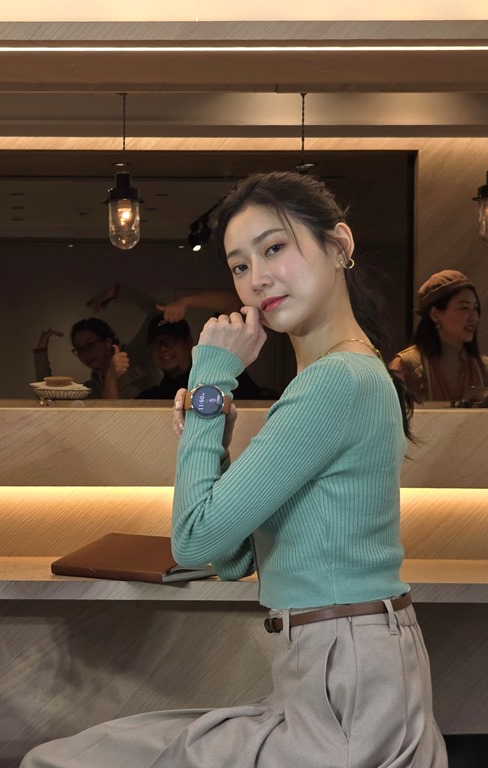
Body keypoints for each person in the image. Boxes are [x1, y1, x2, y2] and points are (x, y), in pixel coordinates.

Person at [22, 171, 447, 768]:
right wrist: (214, 434)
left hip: (345, 689)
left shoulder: (336, 380)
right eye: (240, 265)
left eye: (274, 248)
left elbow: (195, 542)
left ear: (339, 245)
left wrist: (209, 381)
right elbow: (234, 556)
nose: (257, 279)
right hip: (343, 675)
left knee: (66, 760)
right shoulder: (344, 374)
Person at [389, 269, 487, 403]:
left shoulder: (483, 369)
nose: (474, 317)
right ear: (435, 314)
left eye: (475, 308)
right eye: (464, 308)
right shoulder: (406, 366)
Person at [135, 314, 275, 400]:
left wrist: (185, 302)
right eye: (156, 343)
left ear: (188, 341)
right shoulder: (152, 397)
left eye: (170, 341)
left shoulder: (223, 375)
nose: (163, 348)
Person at [33, 317, 152, 399]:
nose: (85, 353)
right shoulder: (89, 390)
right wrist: (41, 350)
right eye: (79, 349)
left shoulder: (135, 360)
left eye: (90, 345)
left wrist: (117, 292)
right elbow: (48, 396)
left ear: (107, 342)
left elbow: (155, 312)